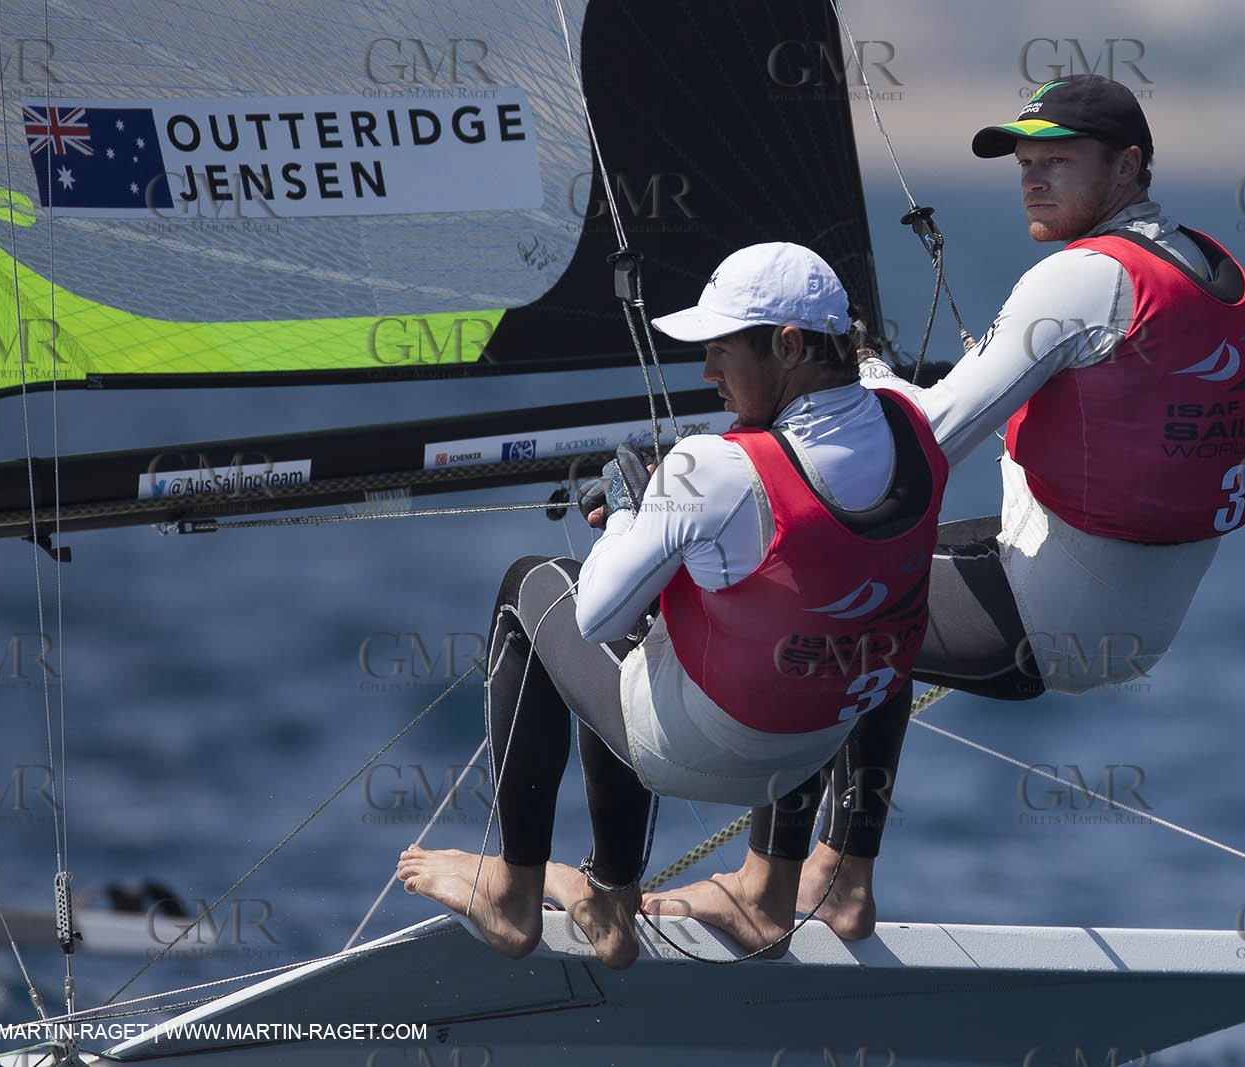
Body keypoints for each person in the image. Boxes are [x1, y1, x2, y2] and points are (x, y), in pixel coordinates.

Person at [646, 75, 1245, 949]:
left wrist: (864, 375)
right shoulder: (1213, 269)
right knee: (882, 575)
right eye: (1025, 162)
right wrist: (1157, 487)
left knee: (825, 596)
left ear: (1128, 166)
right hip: (1144, 618)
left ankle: (768, 888)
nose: (1033, 178)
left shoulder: (1079, 279)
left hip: (1051, 618)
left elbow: (926, 440)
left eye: (1058, 161)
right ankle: (841, 878)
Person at [397, 242, 947, 968]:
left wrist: (631, 510)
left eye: (720, 350)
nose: (707, 372)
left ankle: (524, 893)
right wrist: (671, 514)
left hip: (700, 753)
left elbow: (598, 617)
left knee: (533, 586)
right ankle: (752, 888)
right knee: (842, 605)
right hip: (814, 749)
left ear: (788, 346)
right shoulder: (915, 420)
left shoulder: (709, 466)